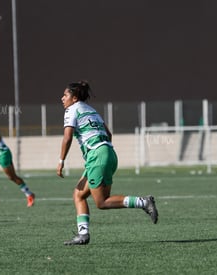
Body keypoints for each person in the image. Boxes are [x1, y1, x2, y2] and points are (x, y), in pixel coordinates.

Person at [57, 80, 158, 245]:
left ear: (74, 98)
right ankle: (83, 235)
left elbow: (67, 137)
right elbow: (108, 133)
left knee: (102, 202)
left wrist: (61, 161)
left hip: (98, 156)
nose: (62, 98)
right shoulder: (92, 110)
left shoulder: (71, 110)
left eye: (65, 95)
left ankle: (143, 201)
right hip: (107, 153)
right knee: (79, 194)